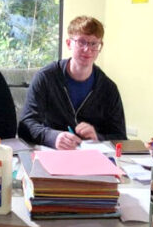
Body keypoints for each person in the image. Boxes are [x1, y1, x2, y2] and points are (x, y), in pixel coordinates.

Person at [19, 16, 126, 149]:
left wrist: (98, 137)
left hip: (92, 157)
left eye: (94, 44)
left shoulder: (108, 88)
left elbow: (120, 137)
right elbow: (26, 125)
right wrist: (53, 137)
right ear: (69, 43)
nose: (88, 49)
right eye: (82, 42)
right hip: (53, 153)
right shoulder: (46, 78)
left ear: (100, 46)